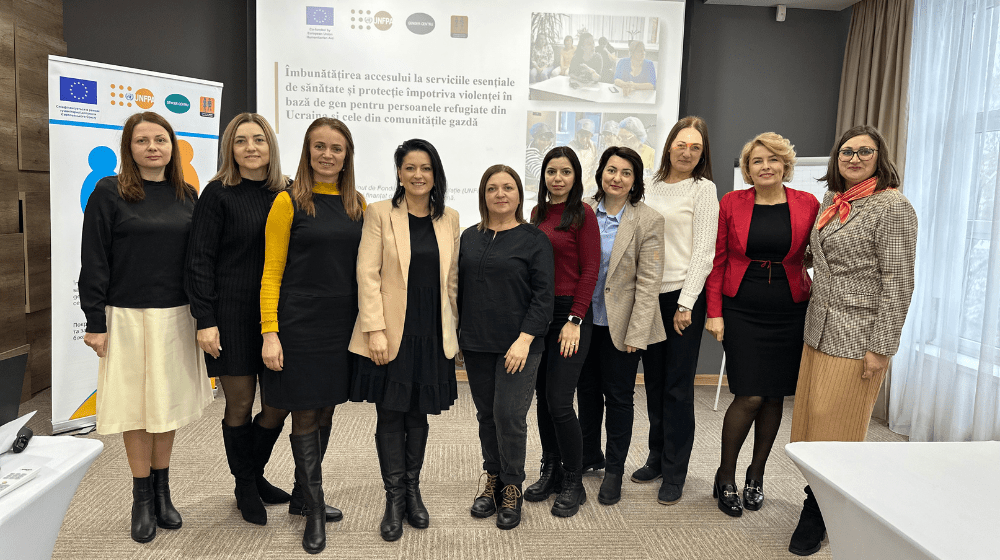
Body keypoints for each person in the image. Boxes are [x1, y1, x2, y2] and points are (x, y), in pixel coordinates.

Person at [79, 111, 214, 543]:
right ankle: (140, 497)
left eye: (161, 139)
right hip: (127, 317)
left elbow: (199, 260)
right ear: (129, 147)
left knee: (165, 405)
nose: (153, 147)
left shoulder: (188, 195)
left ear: (172, 146)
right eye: (142, 140)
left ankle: (162, 491)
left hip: (176, 315)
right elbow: (94, 259)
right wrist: (95, 321)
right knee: (136, 408)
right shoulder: (109, 193)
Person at [787, 125, 916, 556]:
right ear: (836, 159)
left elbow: (898, 281)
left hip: (859, 335)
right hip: (818, 328)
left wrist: (882, 348)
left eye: (865, 152)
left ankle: (822, 511)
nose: (855, 158)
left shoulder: (892, 207)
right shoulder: (832, 202)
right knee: (809, 424)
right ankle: (819, 498)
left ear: (880, 159)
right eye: (847, 152)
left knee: (837, 429)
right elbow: (816, 255)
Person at [259, 117, 366, 554]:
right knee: (303, 411)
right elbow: (271, 273)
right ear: (307, 152)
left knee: (325, 411)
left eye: (336, 148)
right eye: (319, 146)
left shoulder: (356, 203)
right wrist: (270, 332)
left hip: (341, 324)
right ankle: (315, 508)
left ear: (347, 156)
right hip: (298, 323)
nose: (327, 154)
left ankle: (303, 496)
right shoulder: (287, 202)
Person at [185, 113, 297, 527]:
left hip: (278, 315)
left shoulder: (288, 192)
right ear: (230, 149)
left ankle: (250, 473)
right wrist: (205, 319)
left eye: (259, 140)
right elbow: (199, 260)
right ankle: (246, 485)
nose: (251, 148)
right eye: (241, 141)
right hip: (229, 313)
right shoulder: (218, 193)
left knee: (279, 403)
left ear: (271, 147)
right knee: (239, 403)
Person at [349, 139, 461, 541]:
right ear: (399, 172)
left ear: (436, 174)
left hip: (431, 332)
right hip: (391, 331)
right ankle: (393, 497)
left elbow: (452, 282)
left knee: (419, 413)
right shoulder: (380, 213)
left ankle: (413, 489)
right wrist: (373, 329)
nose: (418, 175)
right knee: (391, 413)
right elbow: (368, 274)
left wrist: (456, 332)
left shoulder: (450, 218)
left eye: (426, 168)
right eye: (410, 167)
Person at [703, 133, 819, 518]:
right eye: (757, 161)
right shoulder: (732, 202)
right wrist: (714, 312)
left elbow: (819, 256)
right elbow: (717, 260)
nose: (765, 166)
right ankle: (725, 475)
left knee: (774, 396)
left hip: (790, 310)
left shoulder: (808, 204)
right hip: (741, 308)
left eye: (773, 159)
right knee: (750, 394)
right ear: (747, 168)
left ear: (786, 164)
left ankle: (756, 475)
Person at [460, 165, 554, 530]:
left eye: (508, 187)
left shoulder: (534, 240)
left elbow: (544, 297)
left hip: (520, 346)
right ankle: (494, 478)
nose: (501, 194)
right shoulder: (469, 237)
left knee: (509, 416)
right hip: (477, 344)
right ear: (484, 195)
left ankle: (513, 485)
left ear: (519, 195)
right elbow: (459, 291)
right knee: (487, 416)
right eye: (493, 188)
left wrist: (525, 340)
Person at [632, 116, 719, 506]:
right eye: (682, 144)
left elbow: (704, 251)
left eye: (695, 147)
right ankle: (656, 454)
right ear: (669, 145)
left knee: (678, 388)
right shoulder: (647, 185)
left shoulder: (703, 190)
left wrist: (686, 303)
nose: (687, 152)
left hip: (683, 299)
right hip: (647, 295)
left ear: (702, 154)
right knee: (652, 383)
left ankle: (676, 469)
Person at [578, 146, 666, 506]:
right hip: (582, 322)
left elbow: (649, 282)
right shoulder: (581, 210)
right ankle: (589, 454)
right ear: (601, 172)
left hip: (623, 326)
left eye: (625, 172)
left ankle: (613, 469)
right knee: (585, 392)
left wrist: (638, 333)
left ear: (635, 181)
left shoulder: (648, 219)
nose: (616, 178)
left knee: (617, 398)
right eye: (611, 170)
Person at [524, 147, 599, 517]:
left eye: (565, 171)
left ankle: (574, 480)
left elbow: (589, 271)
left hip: (571, 316)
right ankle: (551, 468)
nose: (557, 178)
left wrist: (575, 319)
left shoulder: (583, 214)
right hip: (540, 315)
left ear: (575, 176)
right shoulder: (538, 214)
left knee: (558, 400)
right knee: (542, 399)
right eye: (551, 171)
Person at [566, 119, 599, 195]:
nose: (584, 139)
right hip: (573, 187)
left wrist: (591, 181)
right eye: (582, 135)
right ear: (577, 134)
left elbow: (595, 164)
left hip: (588, 186)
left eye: (587, 136)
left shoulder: (592, 146)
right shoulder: (570, 148)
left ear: (591, 136)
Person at [525, 122, 555, 190]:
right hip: (530, 184)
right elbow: (539, 173)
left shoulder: (550, 146)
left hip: (545, 179)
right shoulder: (529, 152)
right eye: (542, 139)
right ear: (535, 138)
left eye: (548, 139)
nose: (546, 143)